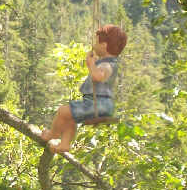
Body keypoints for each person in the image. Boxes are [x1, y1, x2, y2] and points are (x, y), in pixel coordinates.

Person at [41, 24, 127, 153]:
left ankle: (52, 134)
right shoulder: (105, 62)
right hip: (95, 103)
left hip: (99, 105)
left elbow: (99, 76)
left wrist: (91, 64)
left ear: (104, 45)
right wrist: (94, 64)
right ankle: (65, 144)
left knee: (63, 111)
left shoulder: (108, 64)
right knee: (70, 116)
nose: (94, 45)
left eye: (96, 42)